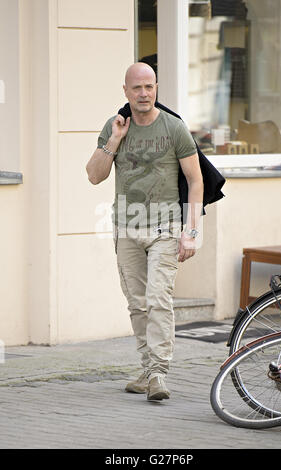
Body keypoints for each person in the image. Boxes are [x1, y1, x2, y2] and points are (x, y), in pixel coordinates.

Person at [86, 63, 204, 401]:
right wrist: (114, 140)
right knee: (137, 304)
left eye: (149, 87)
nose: (144, 93)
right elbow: (94, 175)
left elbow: (195, 180)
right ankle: (148, 368)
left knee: (157, 299)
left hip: (165, 228)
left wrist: (191, 230)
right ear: (125, 90)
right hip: (126, 229)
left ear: (156, 89)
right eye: (137, 88)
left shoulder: (174, 127)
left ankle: (158, 373)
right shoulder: (115, 126)